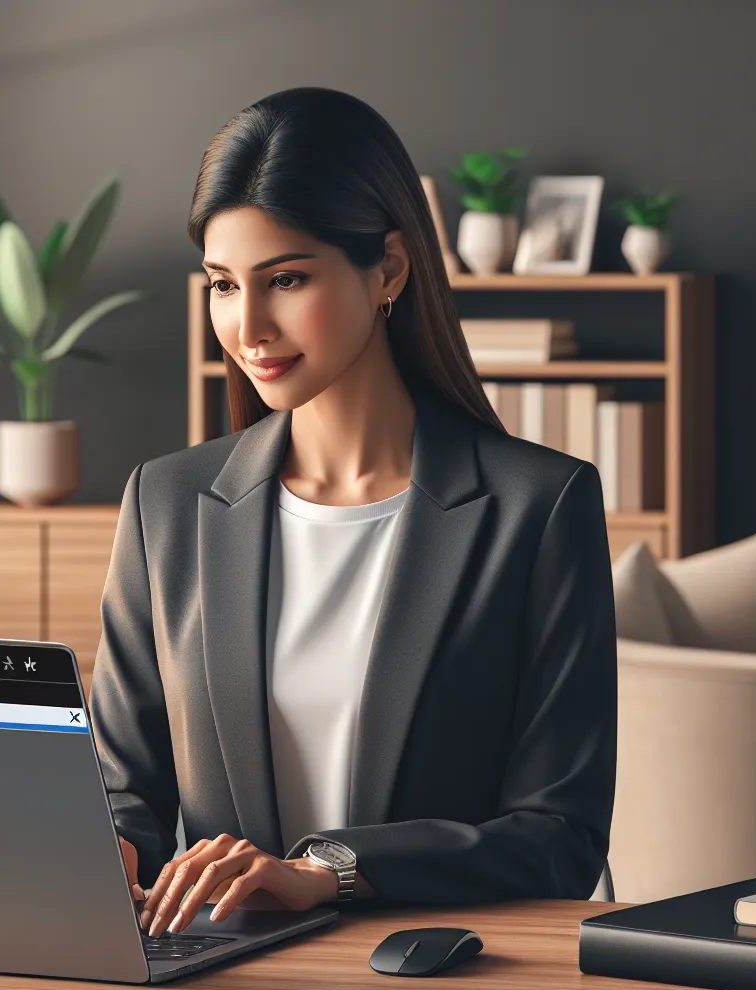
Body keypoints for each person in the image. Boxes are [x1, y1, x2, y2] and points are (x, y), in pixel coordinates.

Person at [89, 87, 616, 937]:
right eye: (223, 285)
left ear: (390, 269)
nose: (249, 327)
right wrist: (105, 849)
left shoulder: (539, 508)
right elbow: (126, 790)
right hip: (220, 976)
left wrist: (325, 874)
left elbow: (561, 837)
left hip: (435, 972)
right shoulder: (167, 503)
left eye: (286, 280)